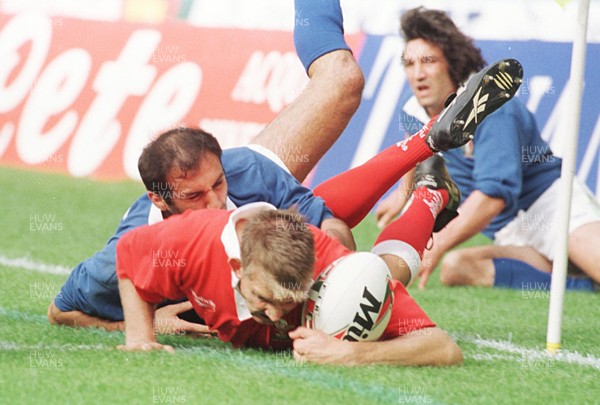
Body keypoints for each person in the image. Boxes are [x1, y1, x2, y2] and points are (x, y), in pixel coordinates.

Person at [115, 157, 465, 366]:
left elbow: (443, 347)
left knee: (381, 274)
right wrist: (139, 337)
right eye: (265, 299)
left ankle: (430, 193)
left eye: (289, 303)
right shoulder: (189, 240)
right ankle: (430, 193)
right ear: (238, 268)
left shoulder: (332, 264)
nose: (276, 316)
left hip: (346, 271)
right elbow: (129, 255)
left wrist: (350, 354)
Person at [375, 7, 600, 291]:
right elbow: (414, 138)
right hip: (510, 233)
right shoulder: (413, 108)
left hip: (553, 209)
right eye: (409, 63)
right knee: (456, 267)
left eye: (428, 61)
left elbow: (493, 196)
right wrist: (401, 194)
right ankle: (584, 288)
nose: (418, 73)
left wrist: (438, 243)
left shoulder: (492, 107)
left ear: (451, 62)